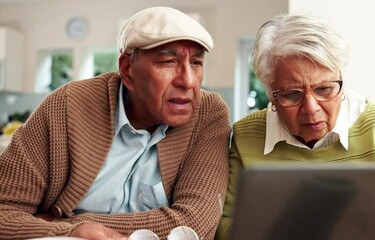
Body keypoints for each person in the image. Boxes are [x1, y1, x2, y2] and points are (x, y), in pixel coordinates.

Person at [0, 6, 231, 240]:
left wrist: (67, 224)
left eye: (196, 63)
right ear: (128, 70)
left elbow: (194, 225)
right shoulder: (65, 107)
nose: (188, 81)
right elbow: (4, 212)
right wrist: (68, 232)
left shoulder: (208, 114)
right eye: (169, 61)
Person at [215, 11, 375, 240]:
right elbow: (223, 227)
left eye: (324, 89)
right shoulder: (246, 135)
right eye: (292, 94)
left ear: (341, 80)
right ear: (270, 94)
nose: (311, 107)